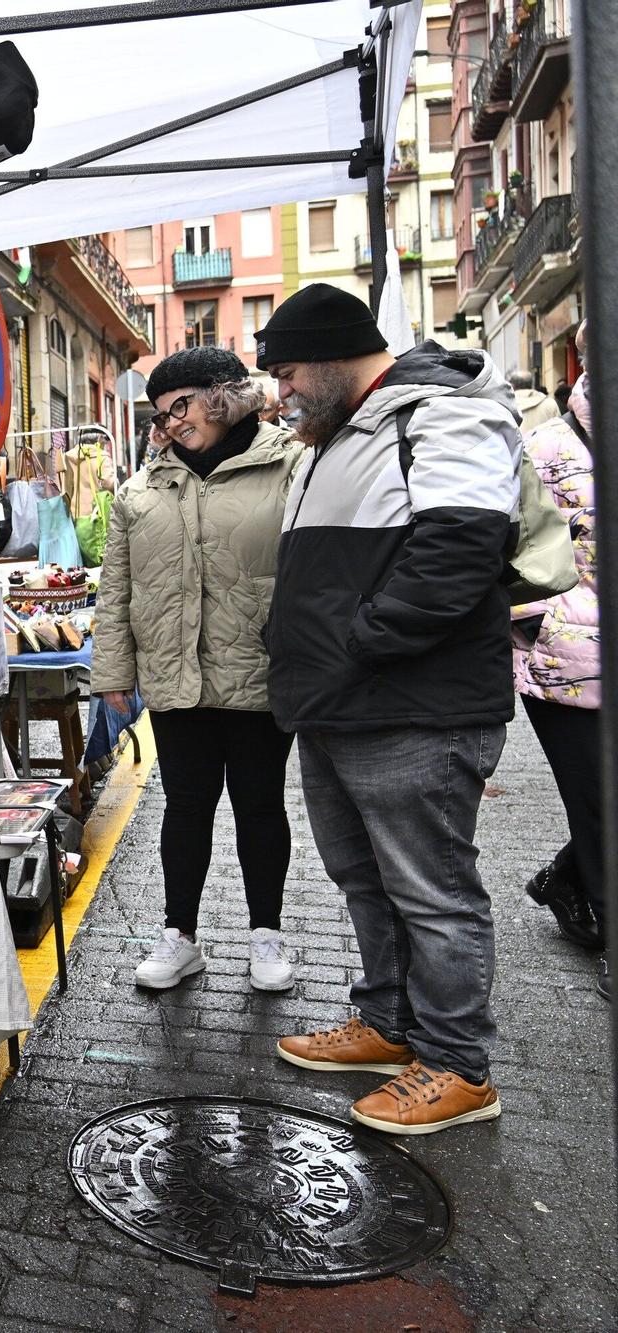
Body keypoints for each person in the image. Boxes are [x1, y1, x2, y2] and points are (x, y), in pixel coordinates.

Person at [257, 283, 521, 1135]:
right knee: (366, 881)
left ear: (334, 353)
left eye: (290, 370)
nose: (282, 389)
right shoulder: (337, 436)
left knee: (432, 891)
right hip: (341, 706)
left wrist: (363, 642)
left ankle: (458, 1064)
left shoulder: (439, 412)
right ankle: (388, 1022)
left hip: (411, 709)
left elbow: (460, 551)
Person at [89, 347, 305, 993]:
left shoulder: (292, 466)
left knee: (260, 807)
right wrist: (112, 673)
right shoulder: (143, 488)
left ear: (223, 394)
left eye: (180, 405)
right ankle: (179, 936)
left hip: (258, 672)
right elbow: (116, 588)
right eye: (161, 413)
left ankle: (266, 934)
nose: (171, 422)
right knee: (185, 806)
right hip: (174, 676)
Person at [513, 325, 604, 999]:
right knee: (600, 806)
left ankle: (568, 878)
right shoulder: (545, 447)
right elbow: (509, 546)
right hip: (564, 664)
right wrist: (531, 630)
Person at [509, 367, 560, 432]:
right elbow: (560, 431)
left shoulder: (503, 407)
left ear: (512, 386)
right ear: (531, 384)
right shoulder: (550, 404)